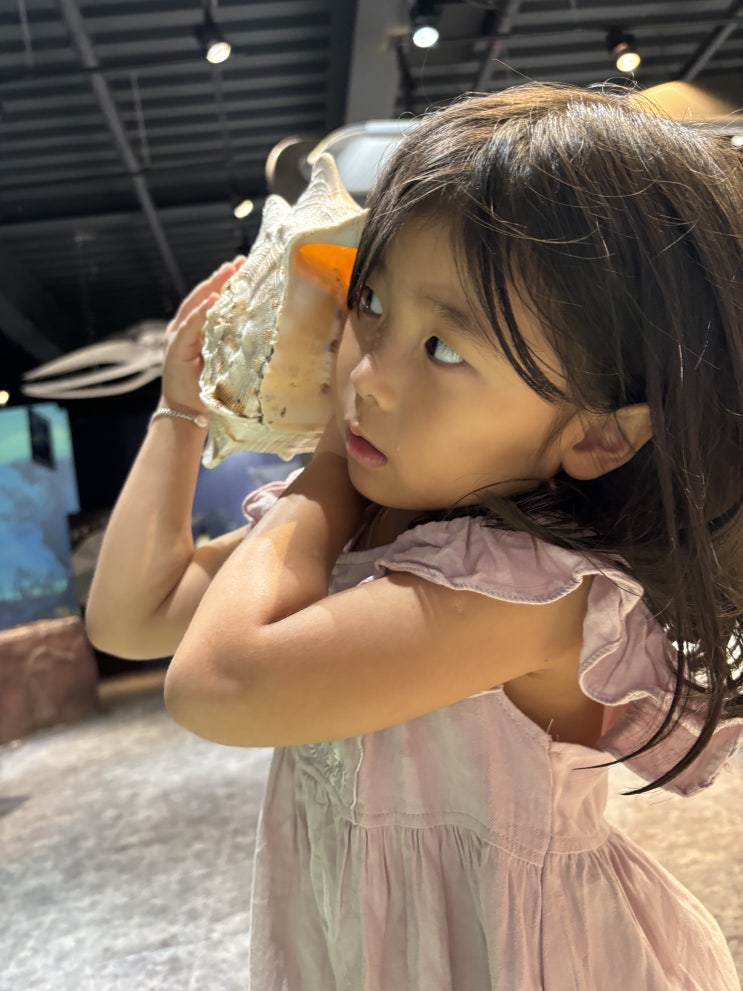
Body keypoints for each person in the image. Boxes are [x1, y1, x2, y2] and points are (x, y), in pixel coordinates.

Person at [86, 82, 743, 990]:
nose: (368, 375)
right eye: (372, 303)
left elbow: (218, 683)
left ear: (596, 434)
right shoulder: (361, 534)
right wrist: (180, 410)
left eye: (443, 348)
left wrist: (325, 463)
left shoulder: (529, 591)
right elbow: (133, 615)